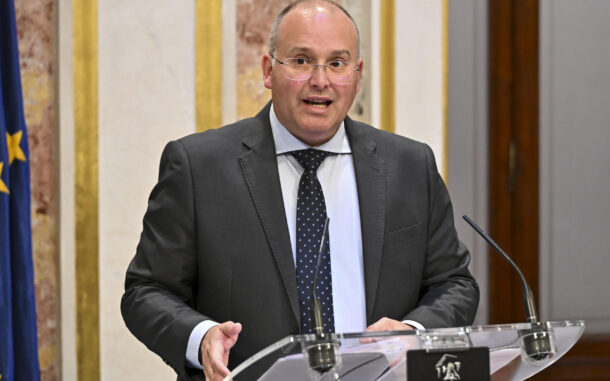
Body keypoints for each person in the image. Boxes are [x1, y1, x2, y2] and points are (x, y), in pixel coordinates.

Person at [121, 1, 479, 380]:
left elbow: (454, 283)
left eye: (337, 63)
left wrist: (413, 333)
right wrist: (201, 336)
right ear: (267, 70)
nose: (320, 80)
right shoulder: (197, 167)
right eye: (302, 61)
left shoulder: (409, 165)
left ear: (357, 76)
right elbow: (146, 291)